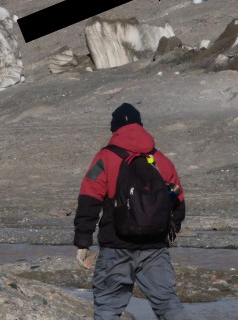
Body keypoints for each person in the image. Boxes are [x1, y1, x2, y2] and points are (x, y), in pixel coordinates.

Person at [73, 103, 188, 320]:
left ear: (114, 129)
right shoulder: (161, 160)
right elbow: (177, 201)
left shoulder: (104, 159)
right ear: (141, 126)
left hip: (116, 245)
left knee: (108, 307)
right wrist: (169, 233)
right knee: (167, 303)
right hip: (154, 246)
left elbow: (89, 198)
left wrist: (83, 241)